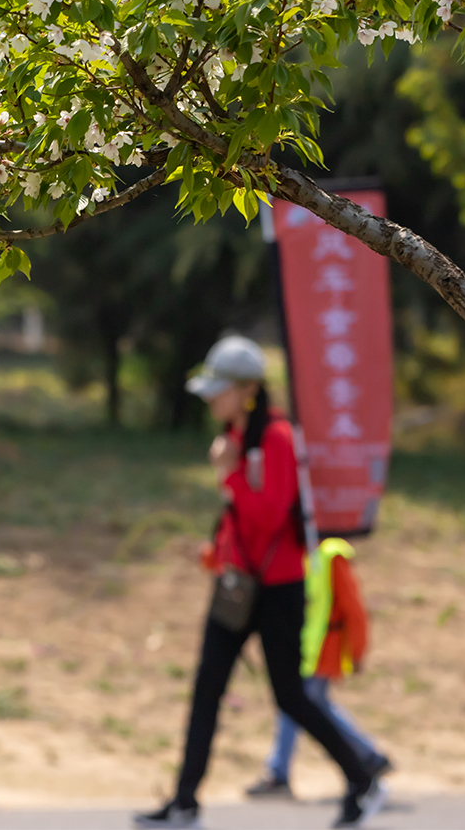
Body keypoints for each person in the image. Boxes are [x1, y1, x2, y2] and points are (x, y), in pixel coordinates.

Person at [133, 335, 388, 830]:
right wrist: (215, 554)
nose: (211, 398)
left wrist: (228, 477)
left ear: (248, 389)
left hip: (278, 590)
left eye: (219, 389)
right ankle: (185, 802)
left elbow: (271, 517)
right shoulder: (236, 437)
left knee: (291, 696)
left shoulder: (275, 438)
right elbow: (242, 524)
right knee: (207, 688)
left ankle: (362, 779)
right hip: (238, 585)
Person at [246, 537, 392, 799]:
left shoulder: (330, 556)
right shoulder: (291, 551)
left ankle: (280, 773)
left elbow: (354, 608)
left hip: (322, 651)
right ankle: (369, 756)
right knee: (313, 705)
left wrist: (357, 650)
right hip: (300, 649)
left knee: (296, 705)